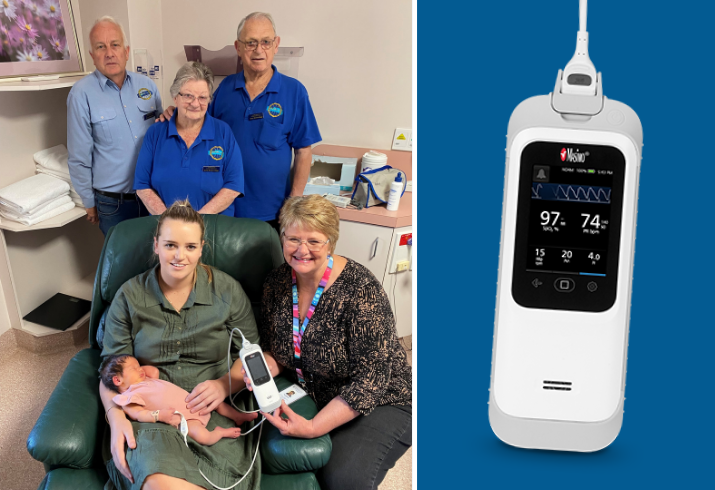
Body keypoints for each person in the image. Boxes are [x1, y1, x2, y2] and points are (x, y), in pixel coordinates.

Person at [249, 195, 412, 490]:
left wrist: (313, 427)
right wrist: (257, 372)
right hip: (315, 389)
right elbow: (276, 351)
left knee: (344, 479)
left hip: (382, 399)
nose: (302, 250)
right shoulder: (276, 284)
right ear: (281, 237)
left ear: (331, 242)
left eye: (314, 241)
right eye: (293, 239)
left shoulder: (360, 290)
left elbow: (370, 381)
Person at [99, 200, 261, 490]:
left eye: (189, 247)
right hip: (151, 415)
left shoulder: (227, 291)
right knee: (159, 483)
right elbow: (111, 369)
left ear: (201, 248)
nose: (179, 256)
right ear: (156, 245)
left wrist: (224, 385)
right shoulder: (129, 296)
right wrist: (116, 418)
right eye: (170, 245)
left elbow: (251, 355)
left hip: (212, 412)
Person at [162, 12, 321, 229]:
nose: (258, 50)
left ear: (276, 45)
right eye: (251, 43)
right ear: (238, 47)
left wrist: (294, 202)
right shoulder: (226, 88)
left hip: (272, 213)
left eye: (266, 42)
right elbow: (200, 127)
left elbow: (304, 151)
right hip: (222, 209)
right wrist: (178, 110)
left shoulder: (295, 92)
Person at [67, 16, 161, 235]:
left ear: (126, 51)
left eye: (115, 45)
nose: (109, 52)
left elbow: (162, 135)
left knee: (157, 262)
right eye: (101, 47)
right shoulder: (81, 95)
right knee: (122, 266)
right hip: (114, 204)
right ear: (92, 55)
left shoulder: (147, 86)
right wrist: (89, 201)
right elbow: (79, 156)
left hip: (153, 196)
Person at [135, 63, 245, 216]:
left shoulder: (223, 132)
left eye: (202, 97)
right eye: (188, 96)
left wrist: (196, 222)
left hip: (214, 228)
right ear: (175, 97)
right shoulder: (155, 133)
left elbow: (233, 186)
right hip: (166, 229)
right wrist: (170, 223)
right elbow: (142, 186)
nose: (195, 103)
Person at [100, 354, 257, 446]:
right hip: (187, 419)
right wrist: (158, 416)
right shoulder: (128, 397)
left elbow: (153, 371)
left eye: (139, 365)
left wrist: (138, 369)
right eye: (134, 368)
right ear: (117, 380)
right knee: (204, 437)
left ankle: (237, 416)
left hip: (192, 400)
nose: (140, 369)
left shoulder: (146, 380)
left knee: (215, 402)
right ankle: (220, 433)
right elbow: (139, 415)